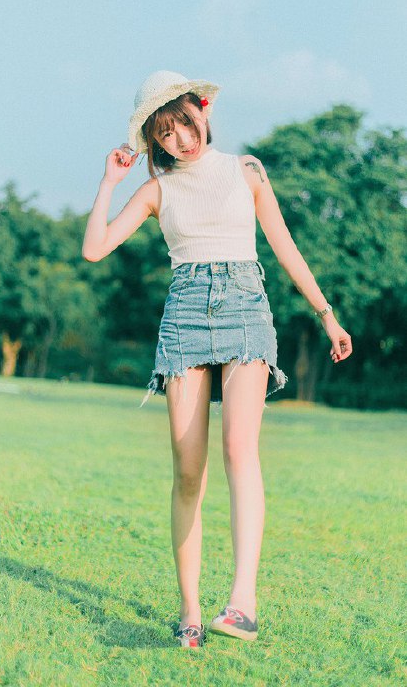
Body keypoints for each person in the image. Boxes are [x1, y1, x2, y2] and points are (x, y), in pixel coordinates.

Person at [82, 70, 352, 648]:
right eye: (164, 133)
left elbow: (284, 246)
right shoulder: (157, 191)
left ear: (201, 109)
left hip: (246, 307)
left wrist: (326, 313)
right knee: (188, 472)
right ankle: (190, 613)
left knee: (239, 449)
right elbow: (95, 247)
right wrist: (109, 182)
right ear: (154, 141)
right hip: (185, 315)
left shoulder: (246, 170)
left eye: (184, 122)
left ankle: (243, 603)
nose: (180, 138)